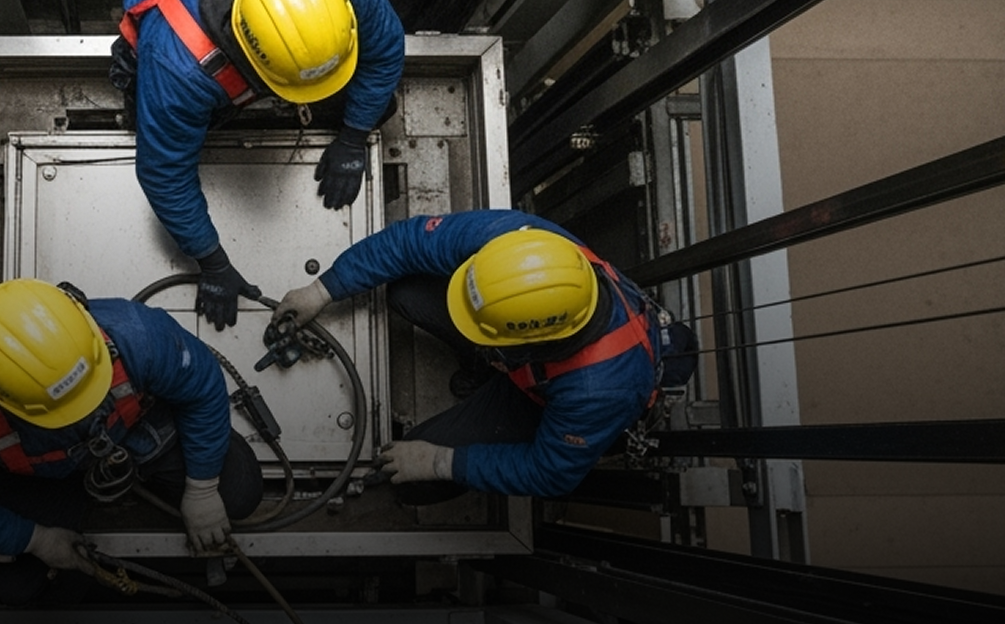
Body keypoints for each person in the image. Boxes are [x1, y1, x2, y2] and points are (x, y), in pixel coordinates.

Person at [271, 211, 696, 503]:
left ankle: (487, 388)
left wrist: (441, 463)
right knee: (406, 290)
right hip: (526, 356)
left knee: (407, 483)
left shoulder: (599, 393)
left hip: (538, 398)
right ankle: (482, 368)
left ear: (527, 346)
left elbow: (549, 473)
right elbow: (408, 242)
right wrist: (323, 290)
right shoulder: (515, 241)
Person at [0, 279, 264, 604]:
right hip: (46, 478)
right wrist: (34, 539)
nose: (81, 413)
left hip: (139, 431)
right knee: (21, 588)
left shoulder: (135, 333)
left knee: (239, 493)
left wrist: (202, 488)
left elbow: (201, 387)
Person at [110, 0, 406, 331]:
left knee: (380, 104)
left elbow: (385, 51)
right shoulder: (176, 70)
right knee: (166, 131)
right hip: (171, 40)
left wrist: (353, 136)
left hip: (252, 57)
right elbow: (165, 174)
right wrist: (212, 262)